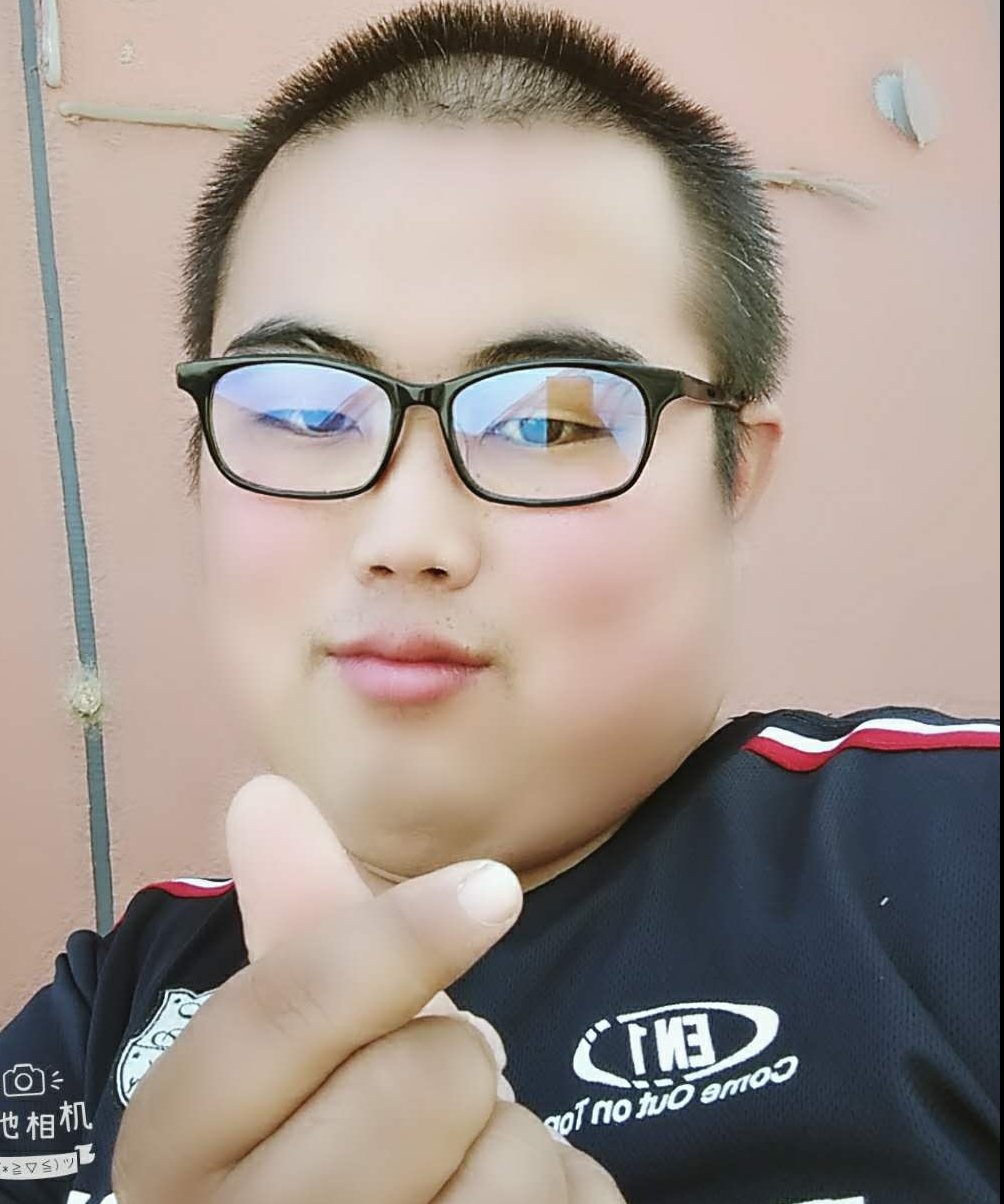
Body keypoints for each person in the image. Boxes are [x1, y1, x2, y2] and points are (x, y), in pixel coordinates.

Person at [1, 3, 998, 1202]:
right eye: (303, 411)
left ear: (735, 474)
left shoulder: (953, 866)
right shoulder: (91, 1023)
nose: (408, 538)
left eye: (548, 423)